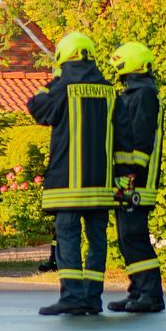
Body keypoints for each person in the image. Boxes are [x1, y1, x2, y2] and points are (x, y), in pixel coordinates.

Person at [29, 32, 116, 316]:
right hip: (101, 184)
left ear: (63, 58)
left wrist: (52, 82)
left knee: (67, 236)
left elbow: (36, 108)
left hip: (68, 184)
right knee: (97, 238)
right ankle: (92, 298)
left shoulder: (63, 88)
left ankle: (71, 296)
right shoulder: (109, 90)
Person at [108, 41, 166, 314]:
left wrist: (132, 174)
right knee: (125, 236)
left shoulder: (144, 95)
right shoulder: (134, 93)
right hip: (126, 177)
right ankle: (137, 291)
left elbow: (142, 139)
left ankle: (151, 295)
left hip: (137, 180)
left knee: (134, 234)